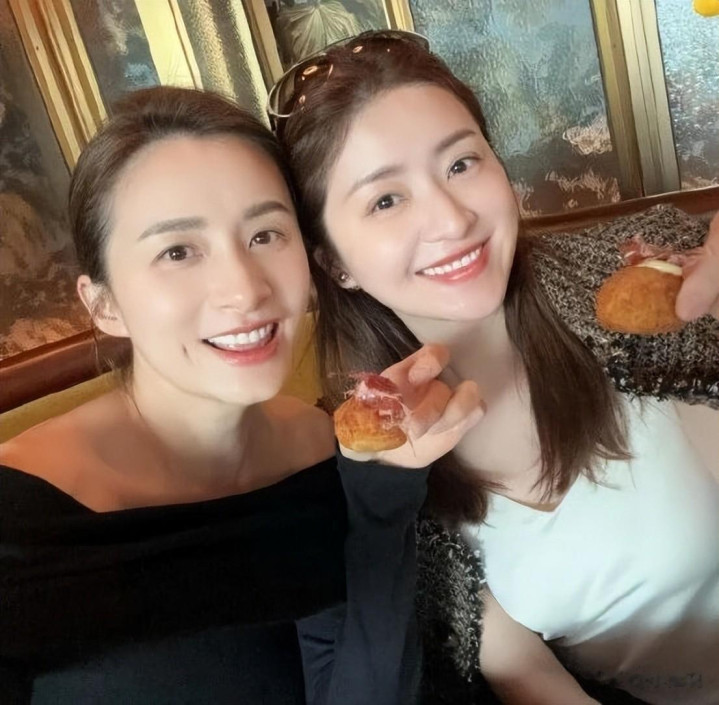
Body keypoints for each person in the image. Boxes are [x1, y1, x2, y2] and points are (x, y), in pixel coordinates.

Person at [272, 30, 719, 705]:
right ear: (333, 261)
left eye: (460, 164)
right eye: (385, 200)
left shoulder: (653, 283)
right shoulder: (384, 473)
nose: (452, 219)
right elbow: (526, 673)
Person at [0, 86, 484, 704]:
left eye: (265, 235)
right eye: (178, 251)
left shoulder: (326, 453)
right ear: (104, 304)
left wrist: (385, 491)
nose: (246, 289)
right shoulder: (19, 522)